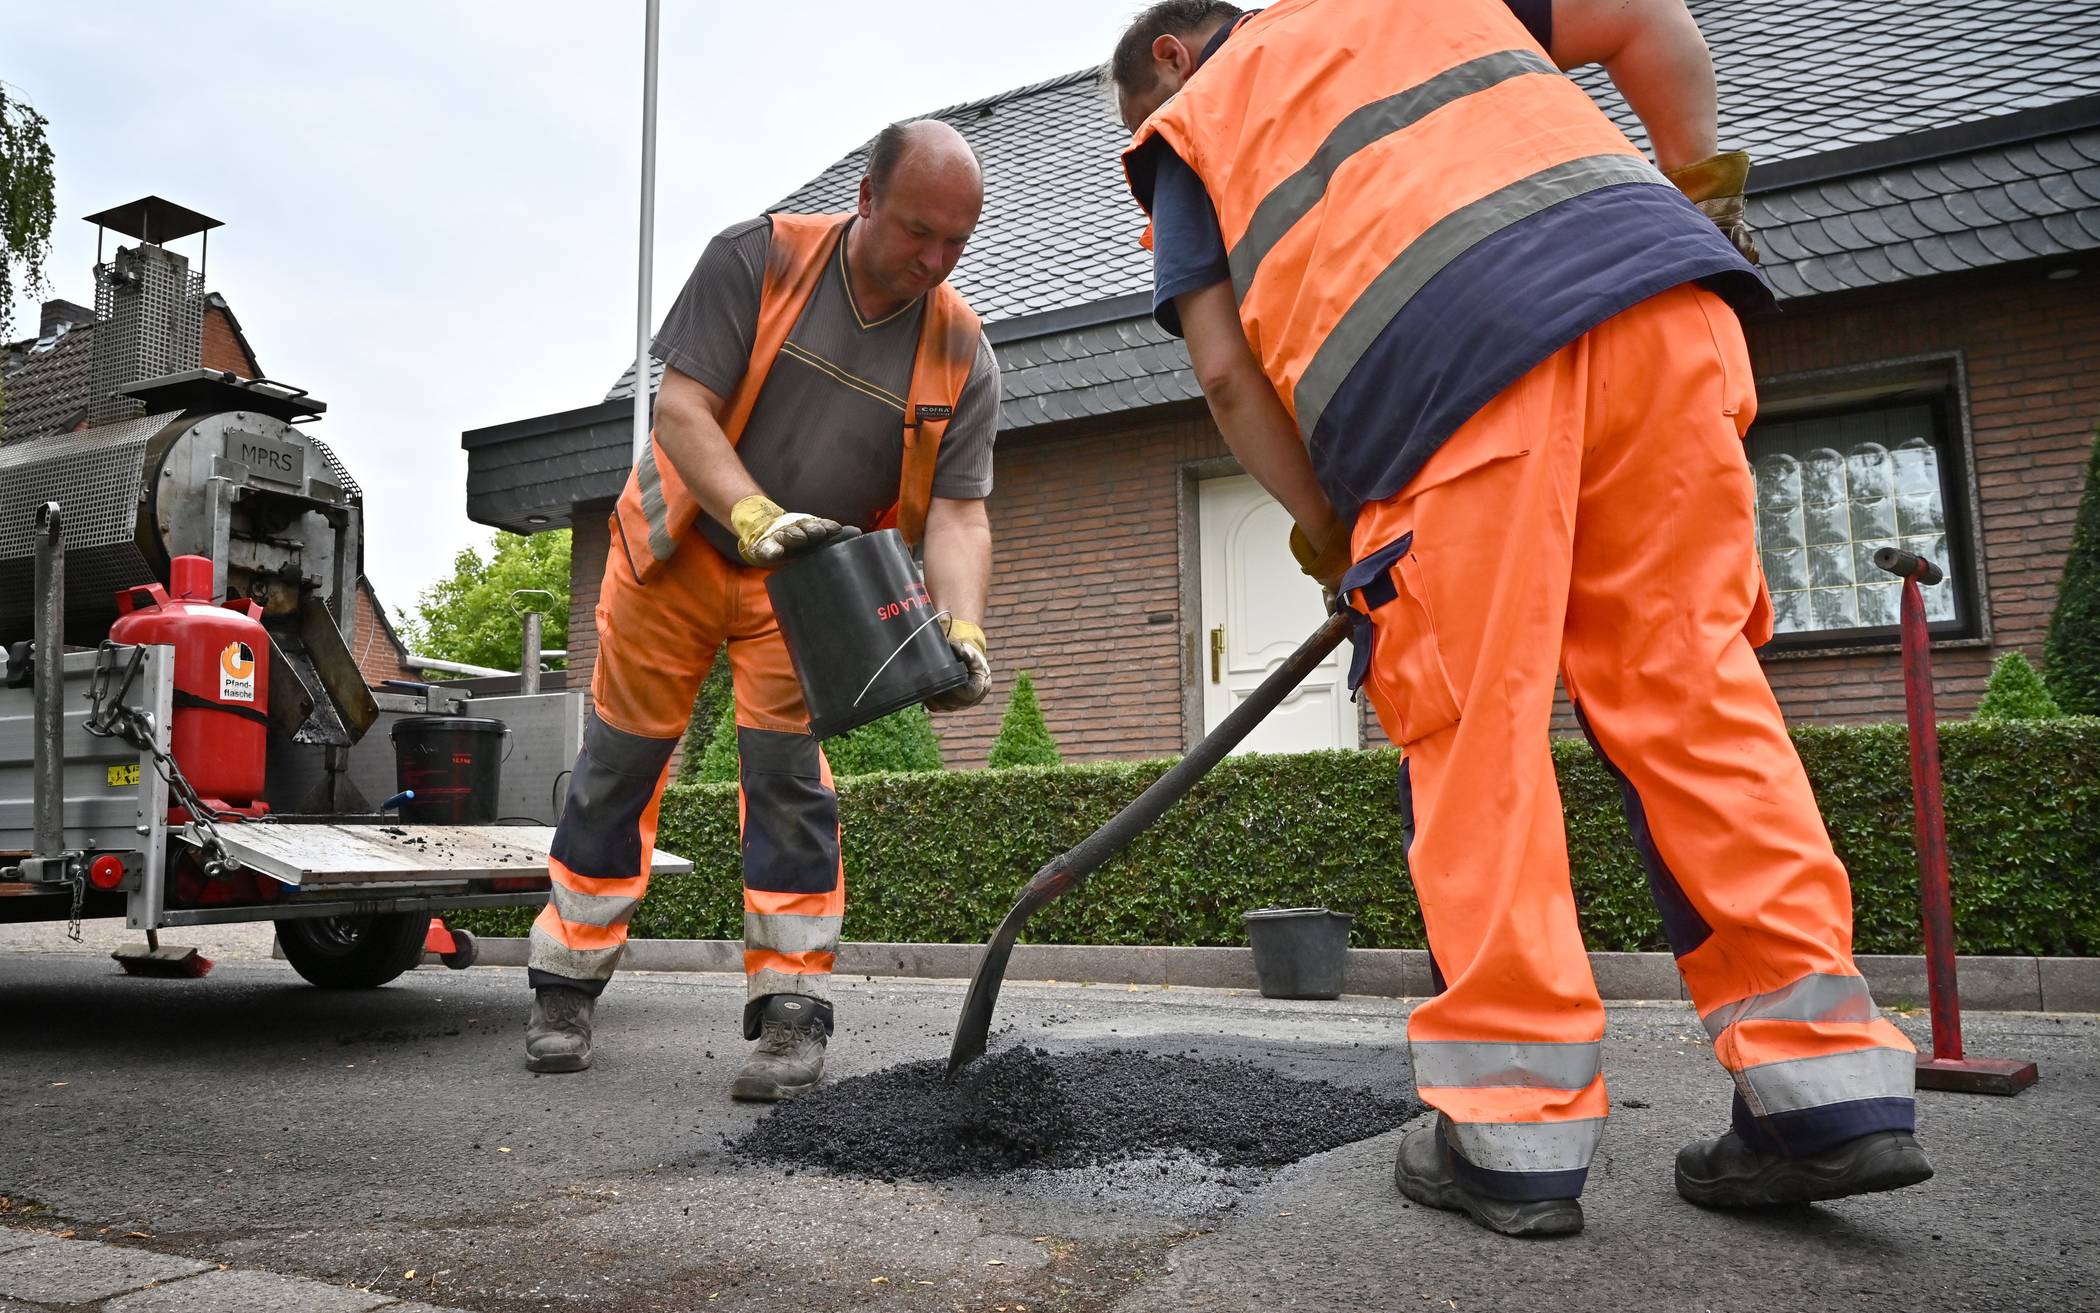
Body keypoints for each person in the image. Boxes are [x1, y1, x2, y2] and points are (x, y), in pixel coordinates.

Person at [1107, 0, 1930, 1236]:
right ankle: (1828, 1087)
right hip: (1666, 309)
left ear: (1171, 56)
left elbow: (1225, 371)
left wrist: (1335, 534)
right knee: (1692, 689)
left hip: (1452, 382)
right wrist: (1699, 190)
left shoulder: (1189, 124)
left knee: (1475, 734)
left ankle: (1512, 1134)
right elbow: (1651, 18)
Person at [523, 120, 1000, 1101]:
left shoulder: (961, 348)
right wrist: (752, 513)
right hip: (678, 555)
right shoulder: (759, 258)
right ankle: (564, 980)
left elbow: (958, 511)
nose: (935, 260)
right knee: (618, 766)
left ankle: (792, 1013)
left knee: (790, 781)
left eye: (957, 241)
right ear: (866, 198)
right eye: (919, 231)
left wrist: (963, 627)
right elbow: (682, 412)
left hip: (804, 588)